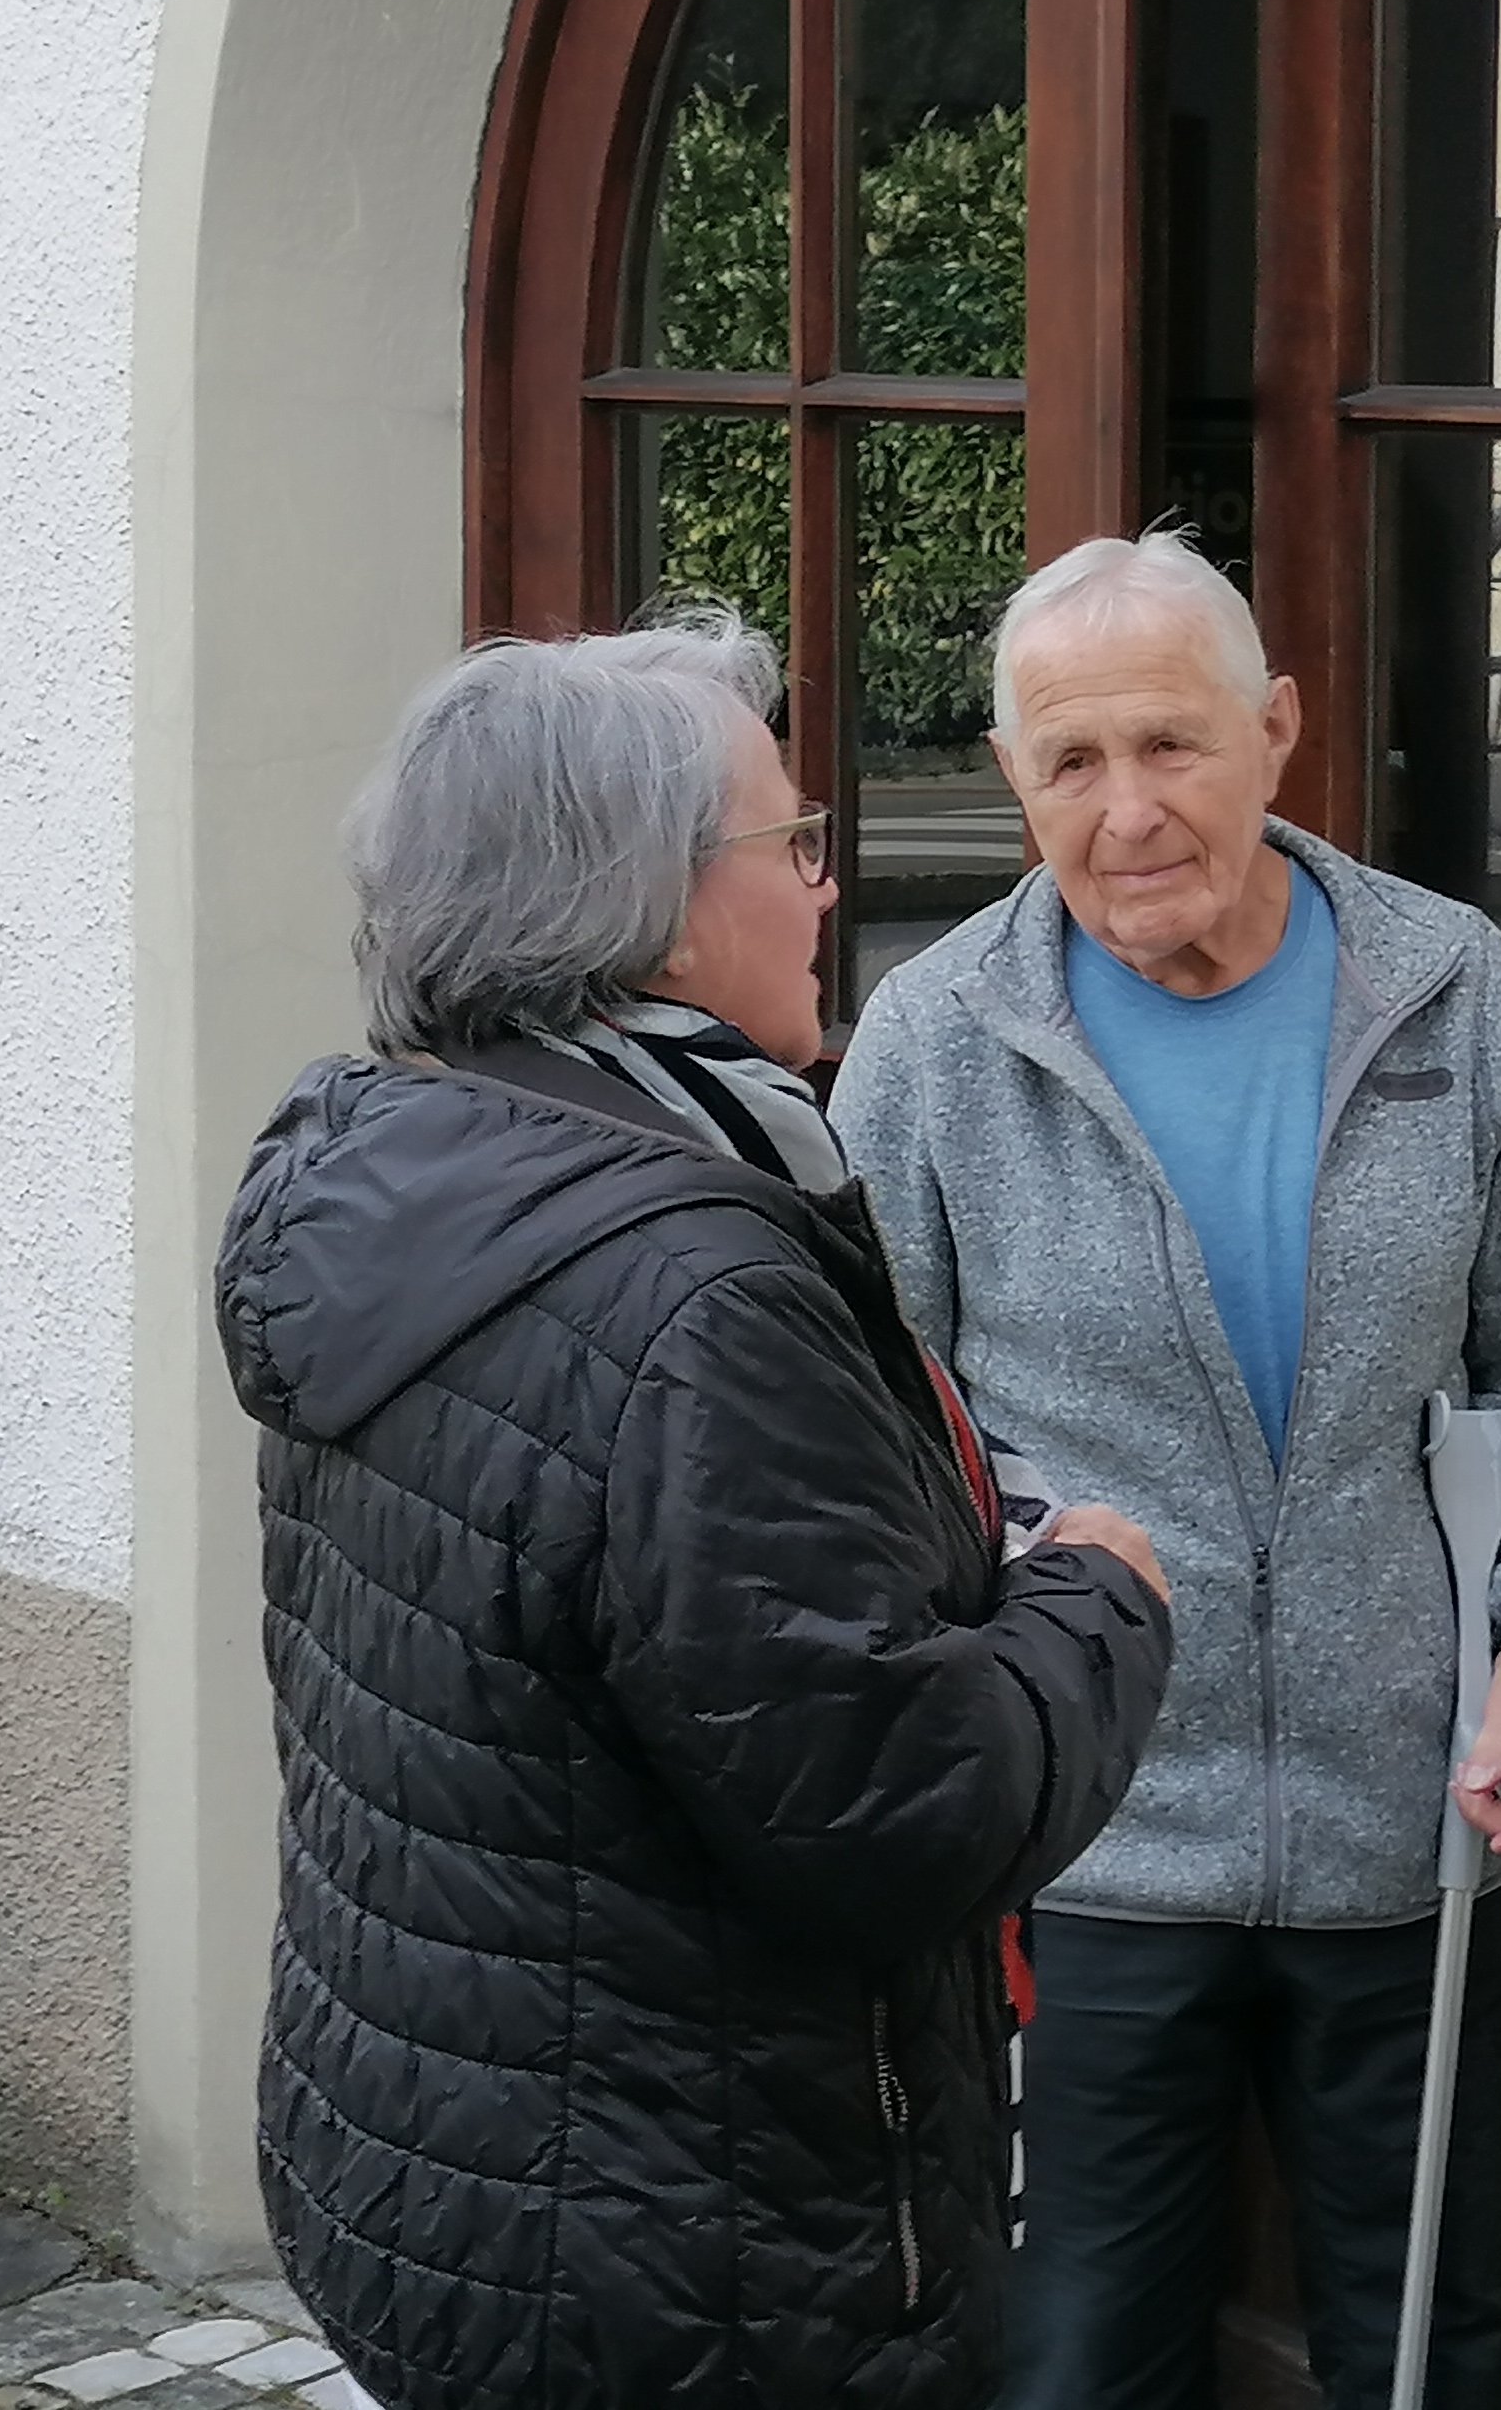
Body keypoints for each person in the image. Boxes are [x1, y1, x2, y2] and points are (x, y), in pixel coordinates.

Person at [214, 610, 1175, 2410]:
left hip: (433, 2160)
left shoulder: (404, 1164)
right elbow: (896, 1809)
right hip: (678, 2258)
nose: (826, 886)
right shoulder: (687, 1287)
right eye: (790, 840)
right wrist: (1100, 1599)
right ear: (647, 907)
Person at [831, 531, 1501, 2410]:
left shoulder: (1449, 992)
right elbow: (877, 1438)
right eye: (1071, 762)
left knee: (1429, 2353)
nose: (1126, 813)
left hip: (1419, 1831)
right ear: (1014, 777)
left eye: (1172, 745)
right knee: (1077, 2366)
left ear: (1275, 729)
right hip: (1088, 1850)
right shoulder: (937, 1045)